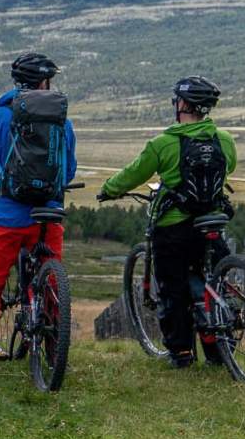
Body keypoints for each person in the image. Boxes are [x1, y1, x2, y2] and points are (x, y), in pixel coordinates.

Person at [97, 76, 237, 368]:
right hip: (211, 222)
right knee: (215, 283)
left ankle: (182, 353)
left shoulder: (163, 143)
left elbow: (134, 173)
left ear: (183, 104)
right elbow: (229, 168)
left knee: (172, 288)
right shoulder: (224, 140)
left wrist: (109, 189)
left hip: (174, 226)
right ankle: (219, 349)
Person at [0, 53, 77, 363]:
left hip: (6, 216)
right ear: (45, 83)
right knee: (52, 283)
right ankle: (53, 352)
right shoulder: (62, 120)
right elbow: (69, 169)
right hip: (48, 216)